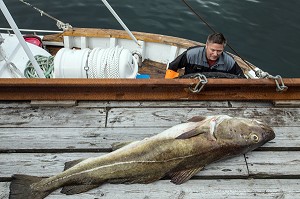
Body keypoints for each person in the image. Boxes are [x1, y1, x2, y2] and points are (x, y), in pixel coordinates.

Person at [165, 32, 246, 78]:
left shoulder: (229, 62)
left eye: (219, 51)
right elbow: (172, 67)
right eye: (212, 50)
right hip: (191, 86)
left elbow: (241, 77)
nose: (215, 54)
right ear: (206, 45)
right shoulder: (191, 54)